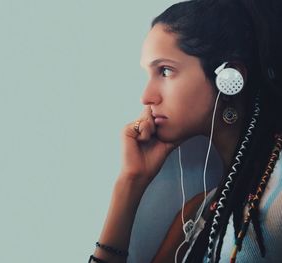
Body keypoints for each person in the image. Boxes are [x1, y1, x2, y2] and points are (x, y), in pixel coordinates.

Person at [88, 0, 282, 262]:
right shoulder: (196, 213)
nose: (147, 97)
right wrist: (131, 181)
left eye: (165, 71)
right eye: (149, 74)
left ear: (230, 77)